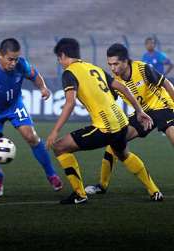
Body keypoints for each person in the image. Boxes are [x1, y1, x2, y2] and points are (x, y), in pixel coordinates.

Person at [46, 38, 159, 205]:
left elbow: (70, 103)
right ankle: (154, 191)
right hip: (122, 122)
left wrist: (54, 131)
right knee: (123, 154)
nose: (59, 62)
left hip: (106, 127)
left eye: (59, 58)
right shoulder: (94, 67)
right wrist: (140, 111)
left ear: (63, 55)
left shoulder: (69, 73)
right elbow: (123, 87)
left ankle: (79, 194)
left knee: (60, 147)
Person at [0, 38, 63, 197]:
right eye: (10, 59)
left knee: (31, 136)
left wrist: (43, 87)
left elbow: (34, 74)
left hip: (15, 106)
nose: (14, 63)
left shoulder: (21, 64)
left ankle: (51, 175)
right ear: (0, 56)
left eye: (16, 59)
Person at [85, 43, 174, 196]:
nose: (113, 68)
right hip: (142, 113)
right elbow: (107, 100)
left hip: (162, 106)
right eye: (110, 64)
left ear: (126, 61)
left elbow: (166, 83)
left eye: (116, 64)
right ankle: (102, 185)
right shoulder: (115, 81)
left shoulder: (142, 69)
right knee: (114, 141)